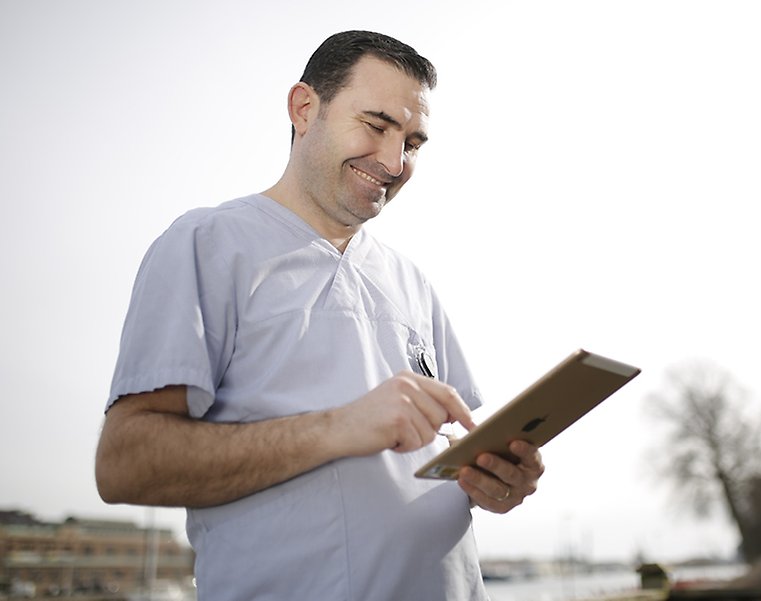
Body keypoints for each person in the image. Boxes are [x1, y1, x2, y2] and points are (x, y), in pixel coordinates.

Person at [95, 30, 544, 600]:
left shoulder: (413, 282)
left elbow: (449, 463)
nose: (394, 160)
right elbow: (123, 465)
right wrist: (340, 427)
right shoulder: (207, 245)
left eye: (413, 142)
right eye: (377, 125)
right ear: (305, 109)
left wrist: (496, 482)